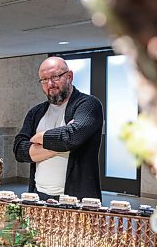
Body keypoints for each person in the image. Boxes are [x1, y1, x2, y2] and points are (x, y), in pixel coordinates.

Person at [13, 56, 103, 201]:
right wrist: (61, 142)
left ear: (69, 76)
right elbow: (19, 150)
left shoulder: (88, 105)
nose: (50, 83)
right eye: (44, 79)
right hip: (38, 196)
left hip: (76, 199)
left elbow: (71, 137)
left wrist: (38, 139)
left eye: (55, 77)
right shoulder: (36, 112)